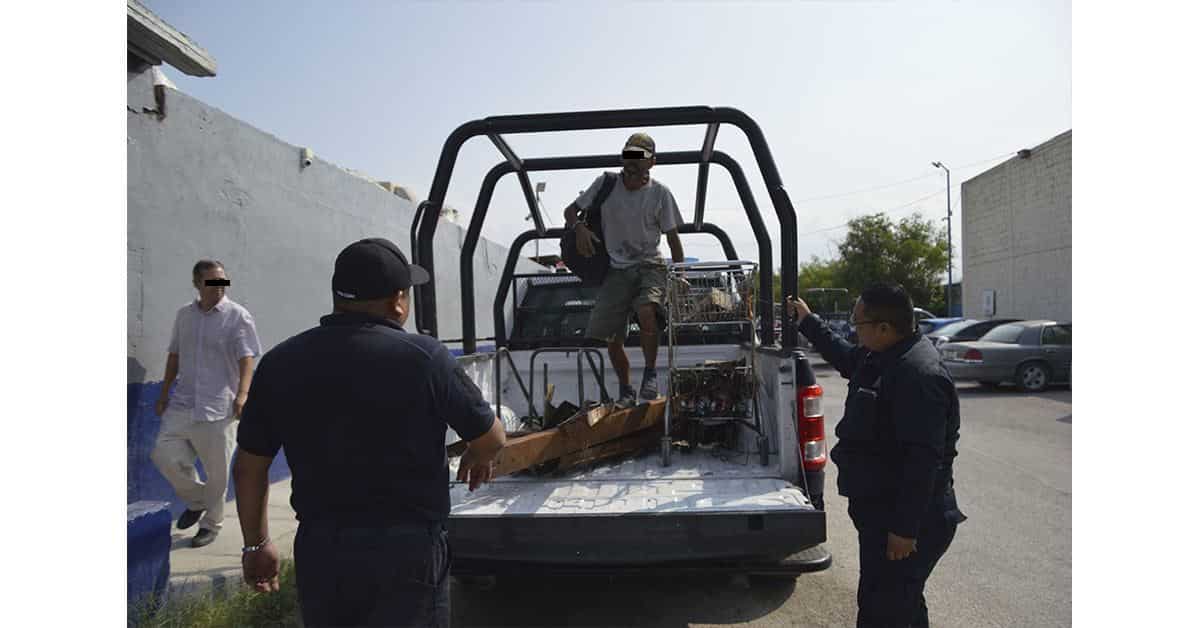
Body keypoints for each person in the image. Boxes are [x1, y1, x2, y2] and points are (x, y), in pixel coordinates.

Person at [232, 237, 506, 627]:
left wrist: (256, 545)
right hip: (407, 552)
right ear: (398, 301)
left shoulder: (280, 363)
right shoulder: (426, 359)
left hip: (322, 550)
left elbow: (249, 467)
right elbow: (492, 438)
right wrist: (479, 455)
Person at [787, 284, 967, 628]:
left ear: (883, 328)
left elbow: (923, 461)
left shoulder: (917, 375)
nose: (855, 330)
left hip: (908, 521)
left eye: (858, 324)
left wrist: (904, 530)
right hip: (883, 511)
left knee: (881, 611)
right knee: (902, 603)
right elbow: (844, 356)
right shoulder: (883, 355)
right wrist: (808, 322)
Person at [563, 132, 686, 408]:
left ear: (651, 163)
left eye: (639, 159)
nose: (632, 166)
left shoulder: (660, 193)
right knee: (612, 337)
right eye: (628, 157)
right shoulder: (606, 184)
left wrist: (679, 275)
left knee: (647, 310)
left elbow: (673, 238)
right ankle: (626, 388)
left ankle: (650, 373)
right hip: (616, 269)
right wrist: (579, 228)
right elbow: (570, 211)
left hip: (650, 265)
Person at [151, 260, 262, 548]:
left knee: (218, 472)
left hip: (218, 406)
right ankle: (197, 500)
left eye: (223, 281)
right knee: (163, 454)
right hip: (183, 402)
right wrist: (164, 392)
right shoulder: (184, 316)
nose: (219, 288)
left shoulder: (238, 316)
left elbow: (247, 357)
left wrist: (242, 394)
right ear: (197, 284)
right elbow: (174, 355)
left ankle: (211, 524)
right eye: (212, 282)